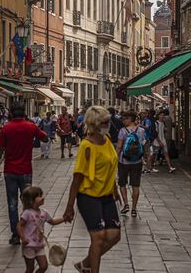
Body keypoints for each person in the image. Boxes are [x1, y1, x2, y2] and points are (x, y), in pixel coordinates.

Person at [63, 106, 120, 273]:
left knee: (114, 235)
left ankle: (85, 263)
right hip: (88, 197)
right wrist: (69, 206)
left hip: (107, 195)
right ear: (95, 124)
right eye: (105, 122)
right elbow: (77, 178)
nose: (108, 124)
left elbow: (111, 167)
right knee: (99, 238)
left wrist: (115, 189)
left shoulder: (107, 140)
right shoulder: (86, 146)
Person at [0, 104, 49, 245]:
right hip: (25, 170)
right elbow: (46, 138)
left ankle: (16, 234)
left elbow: (0, 148)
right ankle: (28, 230)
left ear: (11, 114)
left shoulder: (6, 128)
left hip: (10, 170)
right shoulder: (30, 126)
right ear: (24, 114)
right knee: (28, 202)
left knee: (12, 203)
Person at [17, 186, 65, 273]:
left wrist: (64, 219)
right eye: (39, 196)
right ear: (32, 200)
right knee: (30, 269)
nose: (43, 197)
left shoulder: (44, 212)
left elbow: (53, 221)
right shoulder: (27, 213)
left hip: (39, 245)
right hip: (29, 245)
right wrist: (23, 238)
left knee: (44, 266)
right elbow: (19, 226)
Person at [116, 111, 146, 218]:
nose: (123, 121)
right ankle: (134, 209)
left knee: (122, 183)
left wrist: (115, 158)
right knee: (135, 185)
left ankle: (126, 204)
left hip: (124, 161)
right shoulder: (141, 131)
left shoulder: (123, 131)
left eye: (125, 119)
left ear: (130, 119)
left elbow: (119, 146)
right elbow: (143, 143)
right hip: (137, 161)